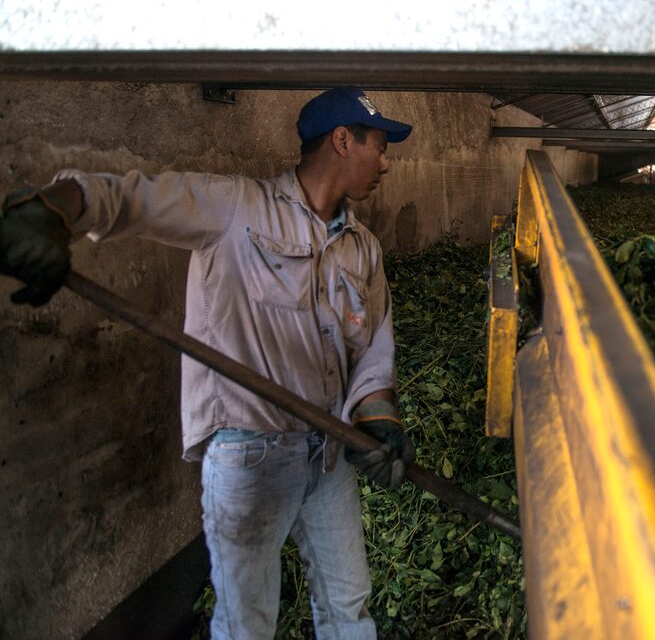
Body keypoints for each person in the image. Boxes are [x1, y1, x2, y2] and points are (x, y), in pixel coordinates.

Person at [0, 87, 417, 639]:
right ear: (343, 140)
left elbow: (372, 349)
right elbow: (131, 198)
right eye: (380, 146)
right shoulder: (235, 209)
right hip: (250, 457)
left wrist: (378, 416)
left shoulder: (363, 248)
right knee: (247, 624)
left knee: (350, 606)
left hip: (328, 455)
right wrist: (51, 212)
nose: (386, 163)